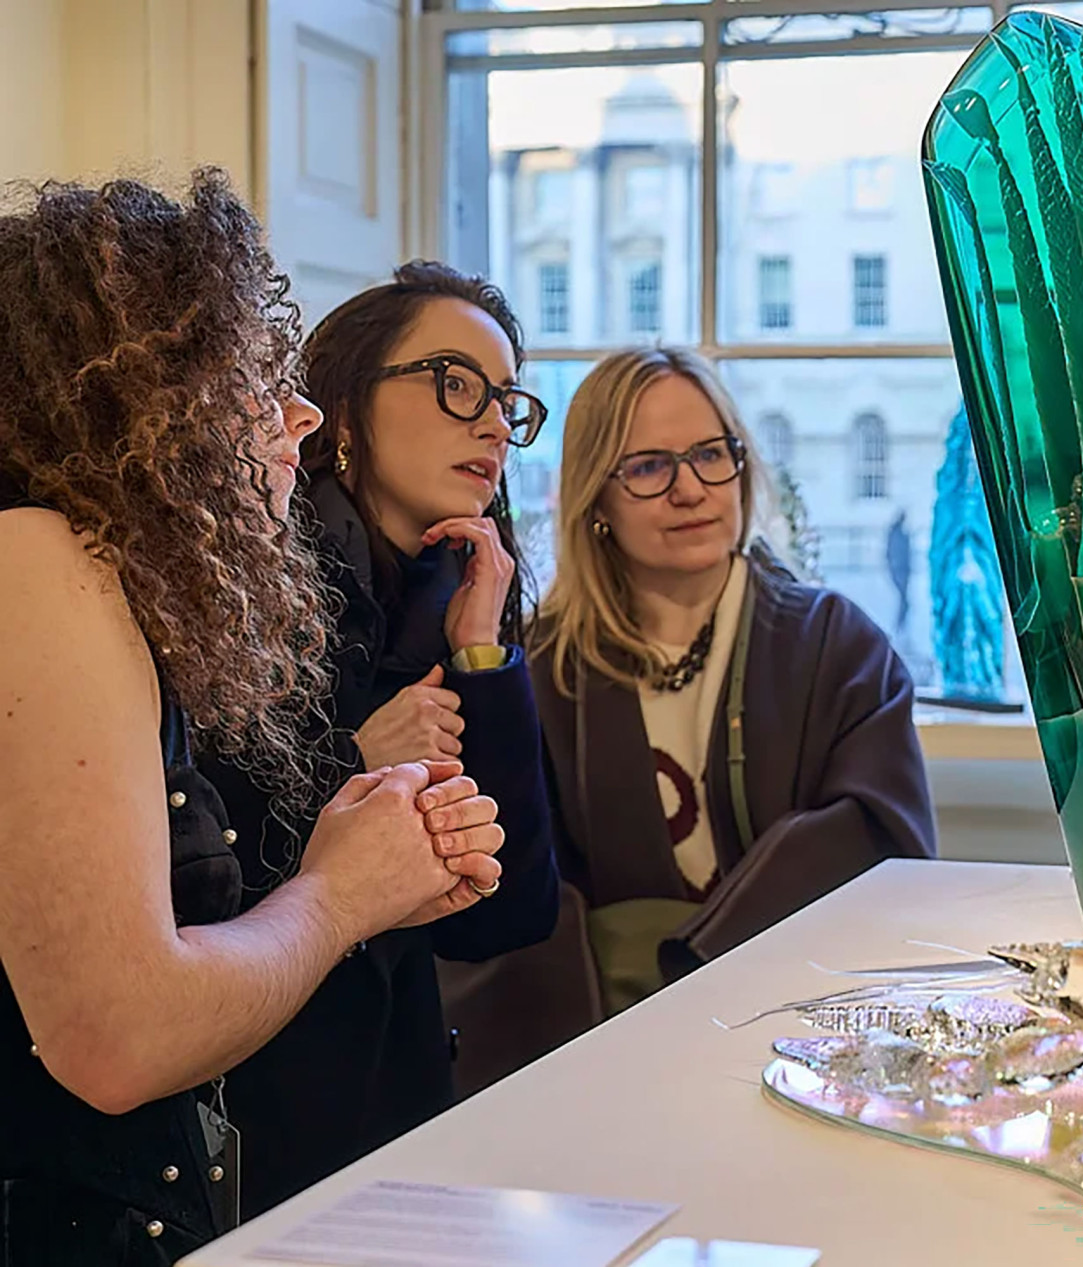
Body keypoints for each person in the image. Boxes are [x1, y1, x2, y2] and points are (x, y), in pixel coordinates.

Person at [0, 173, 507, 1265]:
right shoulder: (38, 557)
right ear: (134, 391)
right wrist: (342, 893)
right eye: (251, 376)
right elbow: (118, 1038)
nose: (302, 415)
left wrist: (359, 858)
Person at [195, 262, 560, 1217]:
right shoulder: (240, 584)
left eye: (507, 401)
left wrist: (486, 655)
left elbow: (505, 916)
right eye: (455, 383)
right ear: (345, 408)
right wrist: (352, 760)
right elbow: (185, 862)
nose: (492, 422)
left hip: (395, 1125)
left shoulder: (447, 606)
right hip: (245, 1122)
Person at [530, 347, 936, 1012]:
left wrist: (700, 952)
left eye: (711, 454)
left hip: (808, 1012)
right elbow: (527, 897)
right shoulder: (547, 668)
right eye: (650, 466)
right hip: (609, 1035)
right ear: (595, 496)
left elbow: (885, 845)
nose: (689, 489)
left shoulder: (838, 647)